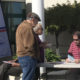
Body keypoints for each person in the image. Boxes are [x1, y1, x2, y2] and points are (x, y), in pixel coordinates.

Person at [16, 12, 41, 80]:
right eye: (37, 21)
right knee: (28, 78)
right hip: (28, 57)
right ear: (32, 19)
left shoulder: (22, 26)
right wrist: (34, 54)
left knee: (28, 77)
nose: (36, 24)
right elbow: (29, 45)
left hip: (24, 56)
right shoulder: (27, 27)